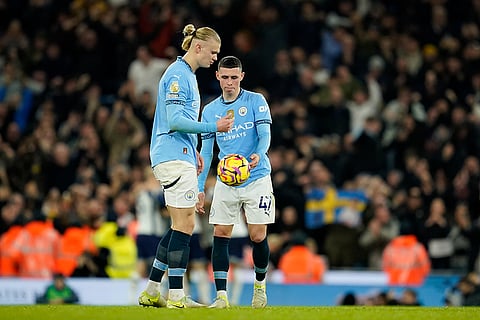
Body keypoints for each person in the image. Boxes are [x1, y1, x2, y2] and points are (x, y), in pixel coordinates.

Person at [137, 24, 233, 309]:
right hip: (171, 154)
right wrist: (212, 127)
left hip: (179, 154)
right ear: (198, 47)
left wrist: (194, 151)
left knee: (179, 225)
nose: (215, 58)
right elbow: (175, 120)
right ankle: (176, 295)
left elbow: (178, 122)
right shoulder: (178, 75)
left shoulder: (187, 75)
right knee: (186, 224)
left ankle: (153, 290)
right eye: (213, 52)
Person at [196, 56, 275, 308]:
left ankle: (260, 286)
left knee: (257, 234)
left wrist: (258, 154)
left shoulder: (256, 101)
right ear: (217, 76)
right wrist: (199, 188)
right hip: (227, 179)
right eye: (225, 77)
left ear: (241, 76)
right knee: (220, 232)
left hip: (257, 176)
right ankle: (221, 296)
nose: (229, 82)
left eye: (234, 77)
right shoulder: (210, 111)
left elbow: (265, 135)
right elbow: (207, 152)